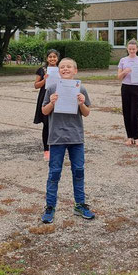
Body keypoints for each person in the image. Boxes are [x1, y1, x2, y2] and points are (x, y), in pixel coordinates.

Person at [40, 57, 95, 224]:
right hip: (56, 137)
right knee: (54, 172)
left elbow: (86, 113)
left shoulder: (81, 89)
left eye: (69, 67)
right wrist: (52, 103)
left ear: (75, 70)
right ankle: (50, 206)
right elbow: (44, 111)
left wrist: (81, 103)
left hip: (76, 137)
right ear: (58, 70)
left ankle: (79, 204)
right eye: (62, 67)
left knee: (78, 171)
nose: (65, 69)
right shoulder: (51, 88)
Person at [116, 39, 138, 147]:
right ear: (127, 49)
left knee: (134, 114)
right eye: (130, 49)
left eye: (133, 49)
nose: (132, 51)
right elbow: (118, 77)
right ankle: (129, 137)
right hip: (126, 87)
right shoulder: (123, 60)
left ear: (137, 49)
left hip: (137, 87)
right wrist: (124, 72)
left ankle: (136, 137)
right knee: (126, 113)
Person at [33, 49, 60, 161]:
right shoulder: (42, 70)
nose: (52, 59)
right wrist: (44, 80)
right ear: (47, 58)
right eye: (50, 57)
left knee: (58, 124)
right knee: (47, 125)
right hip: (45, 97)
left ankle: (58, 149)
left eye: (54, 57)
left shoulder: (61, 69)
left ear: (58, 58)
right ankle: (46, 150)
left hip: (58, 97)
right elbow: (36, 85)